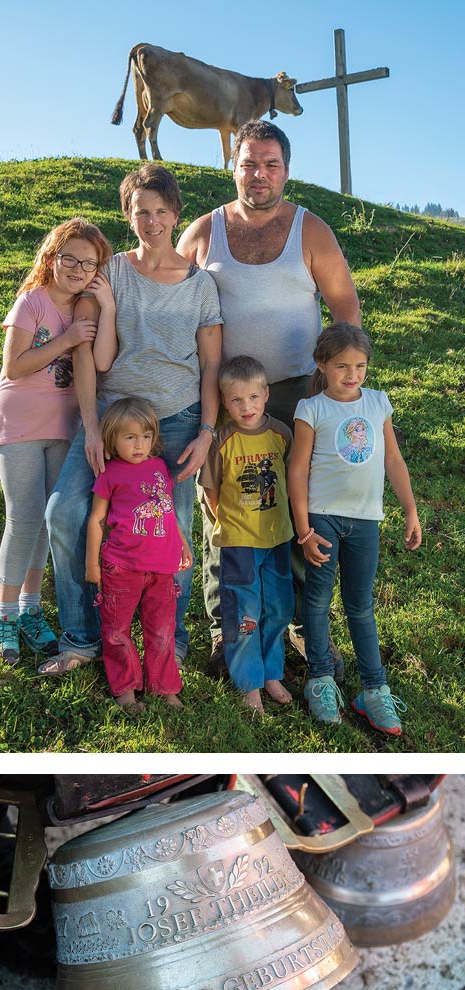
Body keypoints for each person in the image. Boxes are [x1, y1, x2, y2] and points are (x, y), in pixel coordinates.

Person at [177, 119, 361, 678]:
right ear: (233, 167)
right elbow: (168, 292)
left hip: (295, 393)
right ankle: (224, 625)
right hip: (226, 396)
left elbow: (345, 309)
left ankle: (302, 629)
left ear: (287, 169)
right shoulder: (204, 232)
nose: (259, 175)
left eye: (271, 164)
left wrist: (330, 384)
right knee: (223, 506)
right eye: (249, 163)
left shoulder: (311, 231)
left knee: (296, 506)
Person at [43, 164, 222, 674]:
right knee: (66, 512)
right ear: (128, 215)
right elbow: (84, 353)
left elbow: (211, 364)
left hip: (179, 418)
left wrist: (207, 432)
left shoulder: (201, 285)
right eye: (141, 211)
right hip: (109, 414)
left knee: (172, 531)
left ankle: (172, 641)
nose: (152, 221)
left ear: (175, 215)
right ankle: (82, 639)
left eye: (161, 211)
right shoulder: (111, 272)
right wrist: (91, 426)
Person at [0, 217, 113, 663]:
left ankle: (30, 610)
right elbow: (15, 367)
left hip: (64, 424)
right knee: (23, 517)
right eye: (69, 258)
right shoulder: (32, 302)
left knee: (45, 518)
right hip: (21, 420)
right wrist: (67, 340)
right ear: (52, 257)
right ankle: (2, 617)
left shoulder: (85, 309)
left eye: (88, 262)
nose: (77, 268)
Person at [288, 323, 422, 734]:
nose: (352, 374)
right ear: (322, 365)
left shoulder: (379, 403)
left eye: (360, 366)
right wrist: (305, 531)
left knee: (361, 604)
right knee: (317, 599)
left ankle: (373, 689)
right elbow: (296, 469)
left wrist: (411, 512)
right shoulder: (310, 409)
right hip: (323, 518)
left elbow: (394, 462)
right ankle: (321, 680)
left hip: (366, 521)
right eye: (342, 366)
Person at [198, 356, 295, 712]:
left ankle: (271, 672)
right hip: (240, 543)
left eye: (253, 397)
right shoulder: (222, 440)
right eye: (237, 400)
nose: (247, 407)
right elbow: (209, 490)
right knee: (244, 613)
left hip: (277, 537)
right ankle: (248, 681)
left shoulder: (282, 434)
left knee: (278, 608)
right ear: (224, 402)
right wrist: (227, 523)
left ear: (266, 394)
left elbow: (293, 478)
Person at [85, 397, 192, 708]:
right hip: (122, 567)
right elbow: (97, 519)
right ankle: (126, 689)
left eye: (146, 436)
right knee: (117, 630)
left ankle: (165, 687)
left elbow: (168, 513)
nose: (139, 444)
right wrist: (92, 565)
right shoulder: (110, 473)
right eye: (130, 437)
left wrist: (182, 546)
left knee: (162, 630)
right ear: (112, 439)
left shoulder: (159, 467)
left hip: (161, 569)